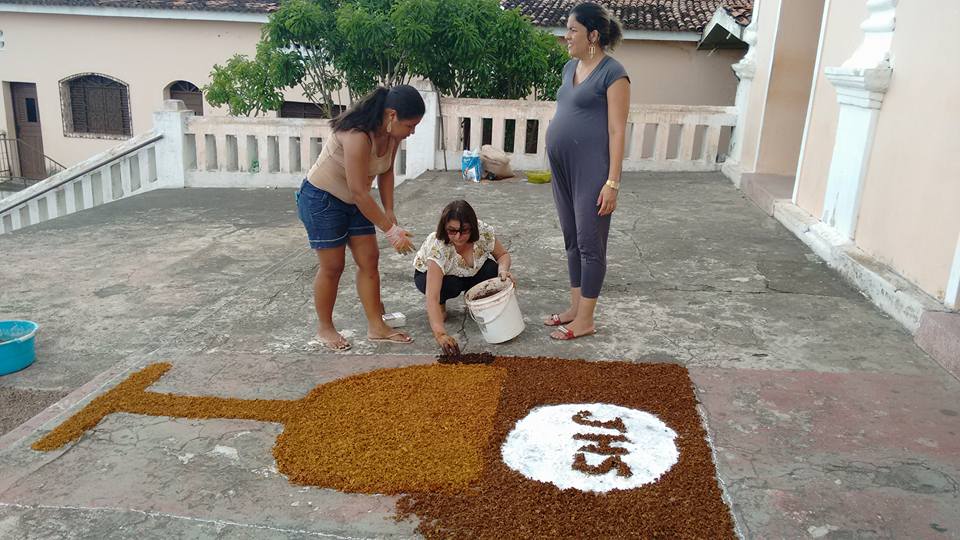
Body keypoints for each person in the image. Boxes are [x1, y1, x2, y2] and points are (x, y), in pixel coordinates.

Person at [295, 85, 423, 351]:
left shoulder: (392, 136)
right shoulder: (357, 135)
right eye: (410, 125)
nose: (412, 132)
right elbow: (359, 191)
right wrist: (390, 231)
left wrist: (389, 210)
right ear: (391, 115)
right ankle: (325, 328)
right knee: (333, 266)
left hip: (356, 201)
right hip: (322, 198)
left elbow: (386, 171)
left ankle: (376, 326)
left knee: (369, 260)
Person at [543, 2, 630, 341]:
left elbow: (617, 131)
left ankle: (586, 320)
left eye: (573, 30)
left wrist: (613, 182)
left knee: (589, 242)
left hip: (593, 169)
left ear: (592, 35)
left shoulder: (614, 73)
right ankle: (575, 307)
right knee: (571, 239)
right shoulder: (570, 68)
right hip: (562, 166)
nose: (567, 37)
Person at [413, 200, 513, 355]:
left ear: (472, 227)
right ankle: (442, 305)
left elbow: (502, 255)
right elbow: (431, 296)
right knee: (450, 285)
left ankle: (476, 302)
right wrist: (440, 334)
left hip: (469, 271)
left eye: (464, 230)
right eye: (452, 231)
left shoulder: (482, 231)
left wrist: (503, 271)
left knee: (491, 270)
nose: (458, 236)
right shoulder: (438, 247)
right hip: (433, 277)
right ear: (444, 228)